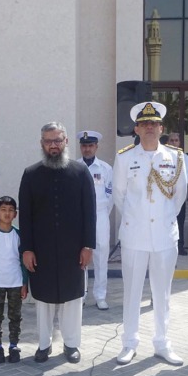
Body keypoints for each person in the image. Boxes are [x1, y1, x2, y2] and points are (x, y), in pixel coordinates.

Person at [112, 101, 188, 366]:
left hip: (165, 236)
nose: (149, 128)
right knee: (132, 291)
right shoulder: (124, 158)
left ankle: (162, 343)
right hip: (134, 236)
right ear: (136, 128)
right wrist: (137, 219)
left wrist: (163, 220)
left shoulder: (176, 157)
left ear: (161, 127)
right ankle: (129, 343)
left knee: (162, 293)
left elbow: (180, 196)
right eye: (144, 124)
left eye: (154, 123)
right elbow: (120, 196)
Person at [18, 122, 96, 364]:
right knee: (43, 300)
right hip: (41, 251)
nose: (53, 145)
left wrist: (88, 245)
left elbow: (89, 211)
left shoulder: (80, 172)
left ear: (66, 142)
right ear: (41, 144)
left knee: (73, 299)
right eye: (48, 141)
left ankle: (71, 345)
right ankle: (43, 345)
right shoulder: (31, 174)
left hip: (73, 250)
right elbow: (26, 216)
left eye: (57, 140)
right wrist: (27, 249)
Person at [0, 195, 28, 363]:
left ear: (15, 214)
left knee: (15, 316)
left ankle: (14, 345)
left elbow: (23, 260)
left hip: (16, 282)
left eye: (10, 211)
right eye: (3, 210)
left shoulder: (18, 234)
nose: (7, 214)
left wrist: (24, 283)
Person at [77, 130, 114, 309]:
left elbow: (111, 197)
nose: (87, 149)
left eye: (90, 145)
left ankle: (100, 295)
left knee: (101, 256)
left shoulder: (106, 169)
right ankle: (81, 294)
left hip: (100, 217)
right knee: (81, 256)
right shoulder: (74, 168)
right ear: (80, 147)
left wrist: (102, 215)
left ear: (96, 147)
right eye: (84, 146)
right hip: (80, 218)